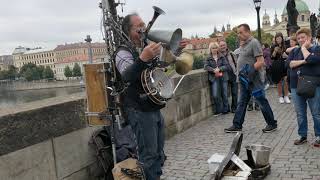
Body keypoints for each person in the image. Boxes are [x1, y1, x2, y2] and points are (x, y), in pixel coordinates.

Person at [115, 13, 187, 179]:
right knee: (148, 156)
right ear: (129, 30)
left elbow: (161, 66)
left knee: (158, 153)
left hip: (152, 106)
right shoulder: (122, 52)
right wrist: (142, 59)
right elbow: (126, 75)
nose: (144, 28)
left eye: (144, 25)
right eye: (139, 26)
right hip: (138, 109)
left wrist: (176, 50)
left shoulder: (146, 45)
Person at [224, 24, 277, 133]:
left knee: (261, 101)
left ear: (248, 32)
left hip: (254, 80)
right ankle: (237, 124)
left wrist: (248, 71)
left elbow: (261, 61)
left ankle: (272, 123)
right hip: (244, 80)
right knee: (242, 102)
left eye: (241, 32)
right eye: (238, 33)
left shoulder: (254, 43)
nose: (239, 35)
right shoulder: (243, 44)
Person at [287, 28, 320, 147]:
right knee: (300, 113)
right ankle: (303, 135)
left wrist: (304, 49)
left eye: (303, 38)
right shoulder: (294, 51)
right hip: (295, 85)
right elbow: (290, 64)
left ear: (309, 37)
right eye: (299, 38)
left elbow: (312, 59)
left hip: (312, 84)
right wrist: (305, 61)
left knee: (316, 112)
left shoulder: (316, 49)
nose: (300, 40)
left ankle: (319, 136)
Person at [204, 42, 231, 116]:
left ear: (217, 48)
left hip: (223, 77)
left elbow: (226, 66)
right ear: (210, 49)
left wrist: (219, 69)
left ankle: (226, 109)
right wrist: (213, 70)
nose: (214, 49)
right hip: (214, 78)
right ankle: (218, 110)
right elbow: (206, 67)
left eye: (216, 48)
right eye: (213, 48)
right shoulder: (208, 57)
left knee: (224, 94)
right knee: (215, 95)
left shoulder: (221, 56)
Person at [271, 32, 290, 104]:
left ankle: (286, 96)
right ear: (275, 39)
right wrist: (275, 51)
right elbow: (272, 57)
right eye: (277, 38)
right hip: (276, 65)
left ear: (282, 38)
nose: (278, 40)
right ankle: (280, 96)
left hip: (284, 64)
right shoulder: (273, 46)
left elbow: (289, 56)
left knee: (285, 80)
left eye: (280, 38)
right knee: (278, 81)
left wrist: (286, 56)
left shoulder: (285, 46)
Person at [219, 41, 238, 113]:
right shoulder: (218, 56)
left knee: (235, 92)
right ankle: (226, 108)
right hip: (223, 76)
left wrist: (237, 72)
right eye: (221, 46)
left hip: (233, 74)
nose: (223, 47)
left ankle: (234, 107)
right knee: (224, 93)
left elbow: (236, 63)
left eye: (224, 45)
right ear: (219, 47)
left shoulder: (232, 54)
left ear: (226, 46)